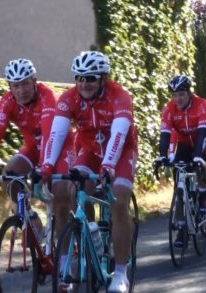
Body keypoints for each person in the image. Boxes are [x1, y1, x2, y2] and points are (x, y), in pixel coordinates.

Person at [41, 51, 137, 292]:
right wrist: (46, 166)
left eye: (91, 78)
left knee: (118, 199)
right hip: (90, 149)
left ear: (103, 78)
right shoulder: (68, 98)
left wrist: (109, 166)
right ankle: (92, 232)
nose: (84, 84)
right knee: (75, 191)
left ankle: (121, 273)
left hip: (121, 151)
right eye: (79, 78)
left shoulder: (120, 96)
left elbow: (118, 134)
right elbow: (57, 133)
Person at [0, 59, 73, 251]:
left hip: (60, 148)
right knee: (9, 174)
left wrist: (44, 169)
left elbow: (50, 135)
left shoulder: (47, 96)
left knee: (60, 199)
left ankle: (65, 256)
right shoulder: (7, 101)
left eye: (25, 83)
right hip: (34, 147)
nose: (21, 90)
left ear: (34, 81)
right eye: (15, 86)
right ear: (9, 87)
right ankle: (31, 218)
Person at [154, 75, 206, 241]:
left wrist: (198, 157)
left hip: (205, 138)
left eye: (181, 94)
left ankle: (204, 195)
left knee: (203, 162)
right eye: (174, 95)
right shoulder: (169, 109)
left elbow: (203, 133)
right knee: (179, 184)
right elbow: (165, 135)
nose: (178, 99)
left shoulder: (202, 105)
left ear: (189, 93)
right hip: (185, 142)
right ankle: (182, 226)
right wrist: (162, 156)